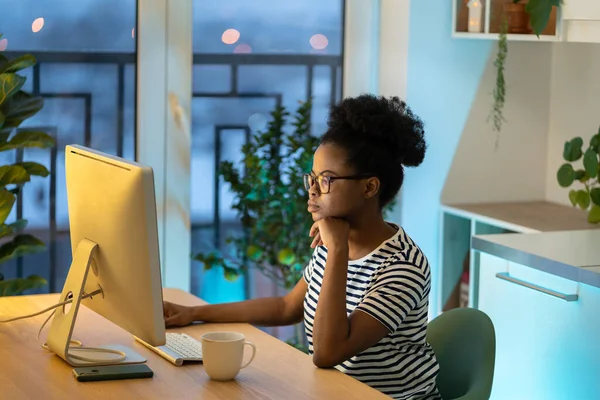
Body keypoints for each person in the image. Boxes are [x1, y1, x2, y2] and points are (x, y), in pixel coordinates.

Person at [163, 94, 441, 400]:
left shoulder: (402, 267)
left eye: (327, 180)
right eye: (312, 177)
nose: (312, 191)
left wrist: (337, 252)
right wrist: (195, 312)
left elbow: (327, 352)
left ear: (369, 187)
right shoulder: (335, 238)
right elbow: (286, 307)